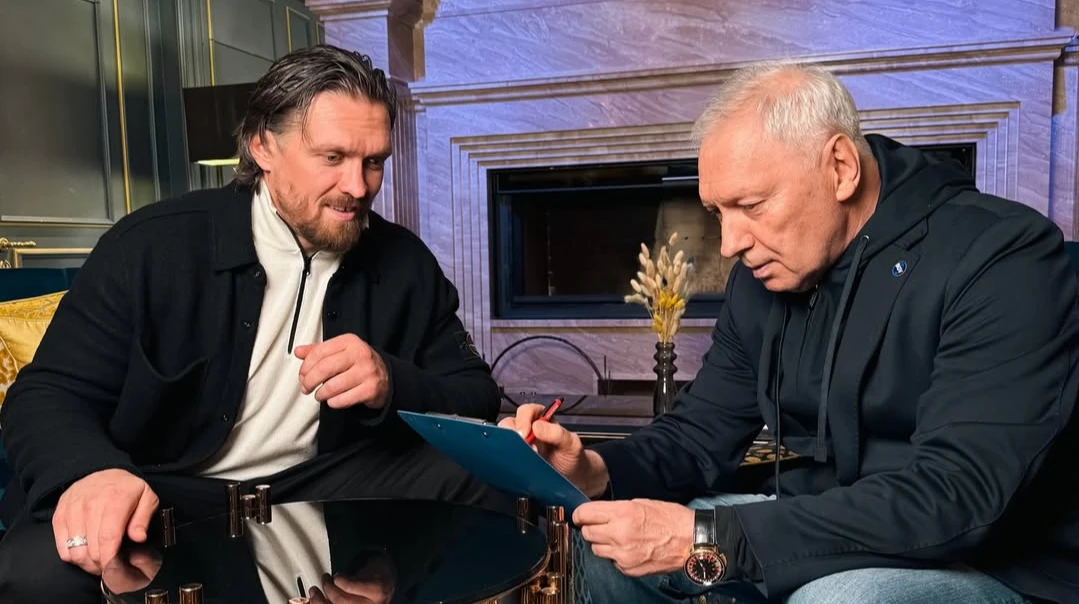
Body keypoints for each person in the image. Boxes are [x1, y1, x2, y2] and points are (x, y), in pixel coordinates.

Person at [503, 62, 1079, 604]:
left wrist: (711, 538)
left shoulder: (1003, 257)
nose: (730, 244)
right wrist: (596, 471)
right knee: (602, 543)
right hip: (826, 520)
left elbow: (958, 496)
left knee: (836, 599)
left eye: (752, 205)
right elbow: (700, 435)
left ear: (840, 168)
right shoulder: (767, 273)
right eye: (718, 213)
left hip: (990, 561)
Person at [0, 44, 505, 602]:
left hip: (322, 482)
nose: (359, 187)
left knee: (481, 475)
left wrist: (390, 381)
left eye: (374, 161)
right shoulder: (150, 245)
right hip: (164, 489)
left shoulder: (405, 261)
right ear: (263, 145)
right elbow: (46, 394)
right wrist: (90, 473)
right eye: (332, 157)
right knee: (34, 573)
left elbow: (476, 396)